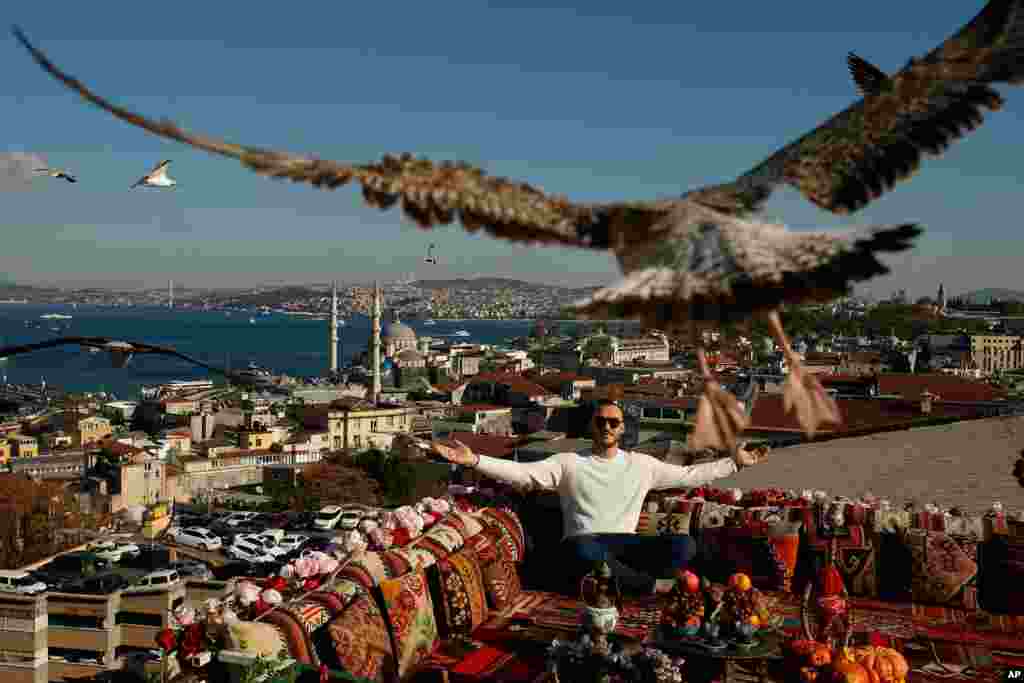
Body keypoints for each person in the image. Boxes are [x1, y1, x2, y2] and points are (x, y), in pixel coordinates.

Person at [427, 398, 769, 596]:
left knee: (684, 545)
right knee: (581, 549)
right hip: (584, 546)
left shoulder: (642, 465)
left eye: (613, 422)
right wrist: (473, 460)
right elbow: (522, 474)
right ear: (592, 426)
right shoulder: (568, 463)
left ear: (622, 428)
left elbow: (691, 475)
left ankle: (620, 582)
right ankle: (653, 587)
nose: (607, 427)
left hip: (627, 546)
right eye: (601, 421)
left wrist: (735, 463)